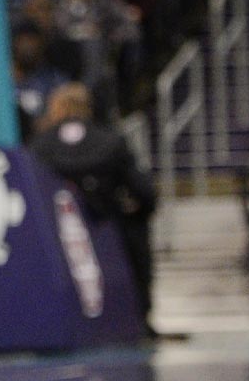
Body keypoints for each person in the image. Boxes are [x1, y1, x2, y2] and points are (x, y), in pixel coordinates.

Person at [29, 83, 157, 332]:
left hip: (55, 238)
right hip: (109, 229)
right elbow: (144, 191)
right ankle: (140, 318)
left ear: (55, 109)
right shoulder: (111, 141)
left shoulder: (38, 146)